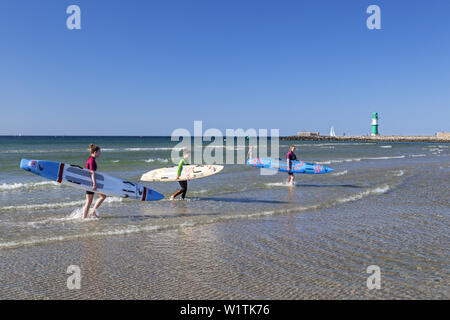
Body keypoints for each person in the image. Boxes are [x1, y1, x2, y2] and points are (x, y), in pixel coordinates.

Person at [82, 144, 107, 219]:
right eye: (99, 152)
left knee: (91, 200)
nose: (100, 153)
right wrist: (94, 184)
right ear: (95, 152)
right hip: (91, 183)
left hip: (89, 182)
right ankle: (87, 216)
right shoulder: (92, 160)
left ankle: (91, 213)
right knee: (93, 200)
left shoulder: (90, 159)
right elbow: (92, 173)